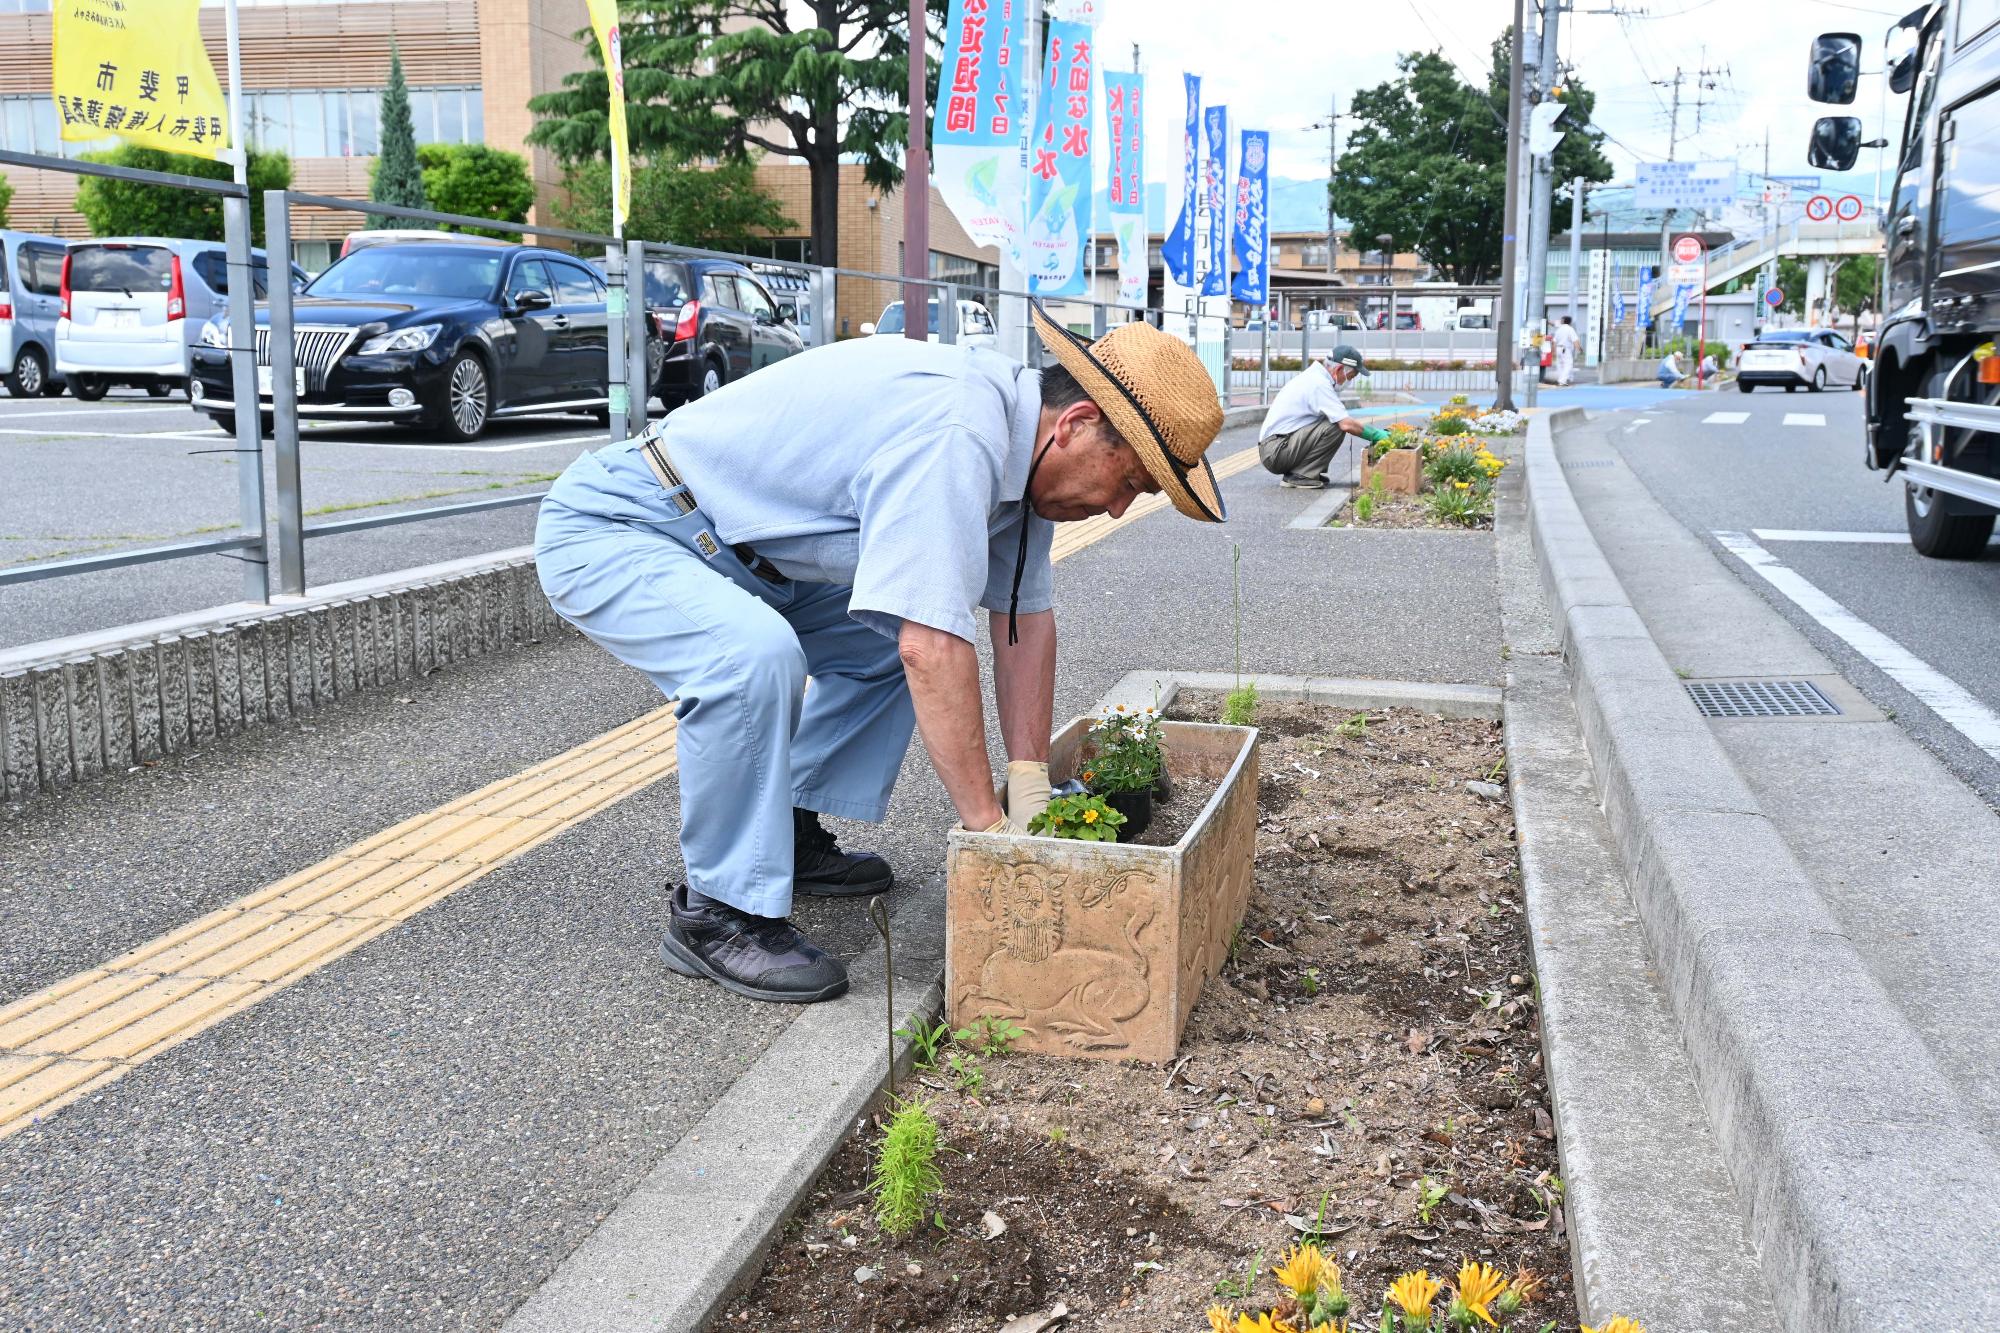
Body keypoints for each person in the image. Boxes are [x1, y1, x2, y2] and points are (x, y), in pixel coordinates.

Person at [533, 308, 1227, 1005]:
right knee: (753, 657)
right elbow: (931, 644)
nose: (1114, 510)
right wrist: (994, 842)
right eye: (1129, 481)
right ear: (1076, 424)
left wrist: (1030, 786)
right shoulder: (959, 433)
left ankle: (785, 829)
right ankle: (719, 911)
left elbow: (1024, 620)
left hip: (745, 557)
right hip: (623, 523)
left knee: (876, 635)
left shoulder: (1028, 466)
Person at [1256, 344, 1387, 489]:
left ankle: (1301, 472)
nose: (1349, 381)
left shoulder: (1314, 378)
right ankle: (1302, 475)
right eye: (1351, 376)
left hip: (1276, 447)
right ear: (1339, 369)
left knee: (1332, 422)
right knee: (1335, 426)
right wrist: (1379, 436)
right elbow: (1346, 424)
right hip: (1276, 451)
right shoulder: (1319, 384)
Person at [1551, 316, 1581, 387]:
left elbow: (1554, 341)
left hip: (1558, 348)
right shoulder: (1570, 329)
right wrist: (1579, 349)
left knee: (1560, 365)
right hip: (1565, 349)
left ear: (1563, 321)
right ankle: (1562, 381)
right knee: (1568, 364)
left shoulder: (1559, 329)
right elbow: (1575, 340)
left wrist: (1553, 351)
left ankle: (1563, 379)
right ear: (1570, 322)